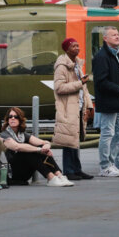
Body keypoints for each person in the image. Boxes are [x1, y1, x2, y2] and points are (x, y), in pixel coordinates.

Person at [92, 26, 119, 178]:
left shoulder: (117, 55)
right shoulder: (101, 57)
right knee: (108, 133)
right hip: (109, 101)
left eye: (117, 35)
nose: (117, 37)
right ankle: (105, 166)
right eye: (113, 35)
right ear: (105, 38)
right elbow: (101, 81)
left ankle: (111, 162)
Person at [53, 37, 94, 181]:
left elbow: (84, 88)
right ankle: (69, 170)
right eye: (74, 46)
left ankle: (77, 169)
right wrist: (79, 83)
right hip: (68, 107)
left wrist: (89, 105)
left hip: (79, 106)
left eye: (78, 45)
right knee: (68, 139)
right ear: (67, 49)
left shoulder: (77, 65)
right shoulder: (62, 66)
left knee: (75, 139)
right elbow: (59, 88)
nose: (77, 48)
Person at [0, 107, 72, 187]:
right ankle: (51, 178)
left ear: (20, 119)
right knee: (27, 151)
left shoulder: (22, 135)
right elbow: (17, 147)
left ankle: (59, 175)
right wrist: (39, 150)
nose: (12, 118)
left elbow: (44, 142)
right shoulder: (4, 135)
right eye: (10, 116)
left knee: (39, 148)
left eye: (16, 117)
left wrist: (45, 147)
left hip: (24, 174)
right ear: (7, 119)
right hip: (11, 174)